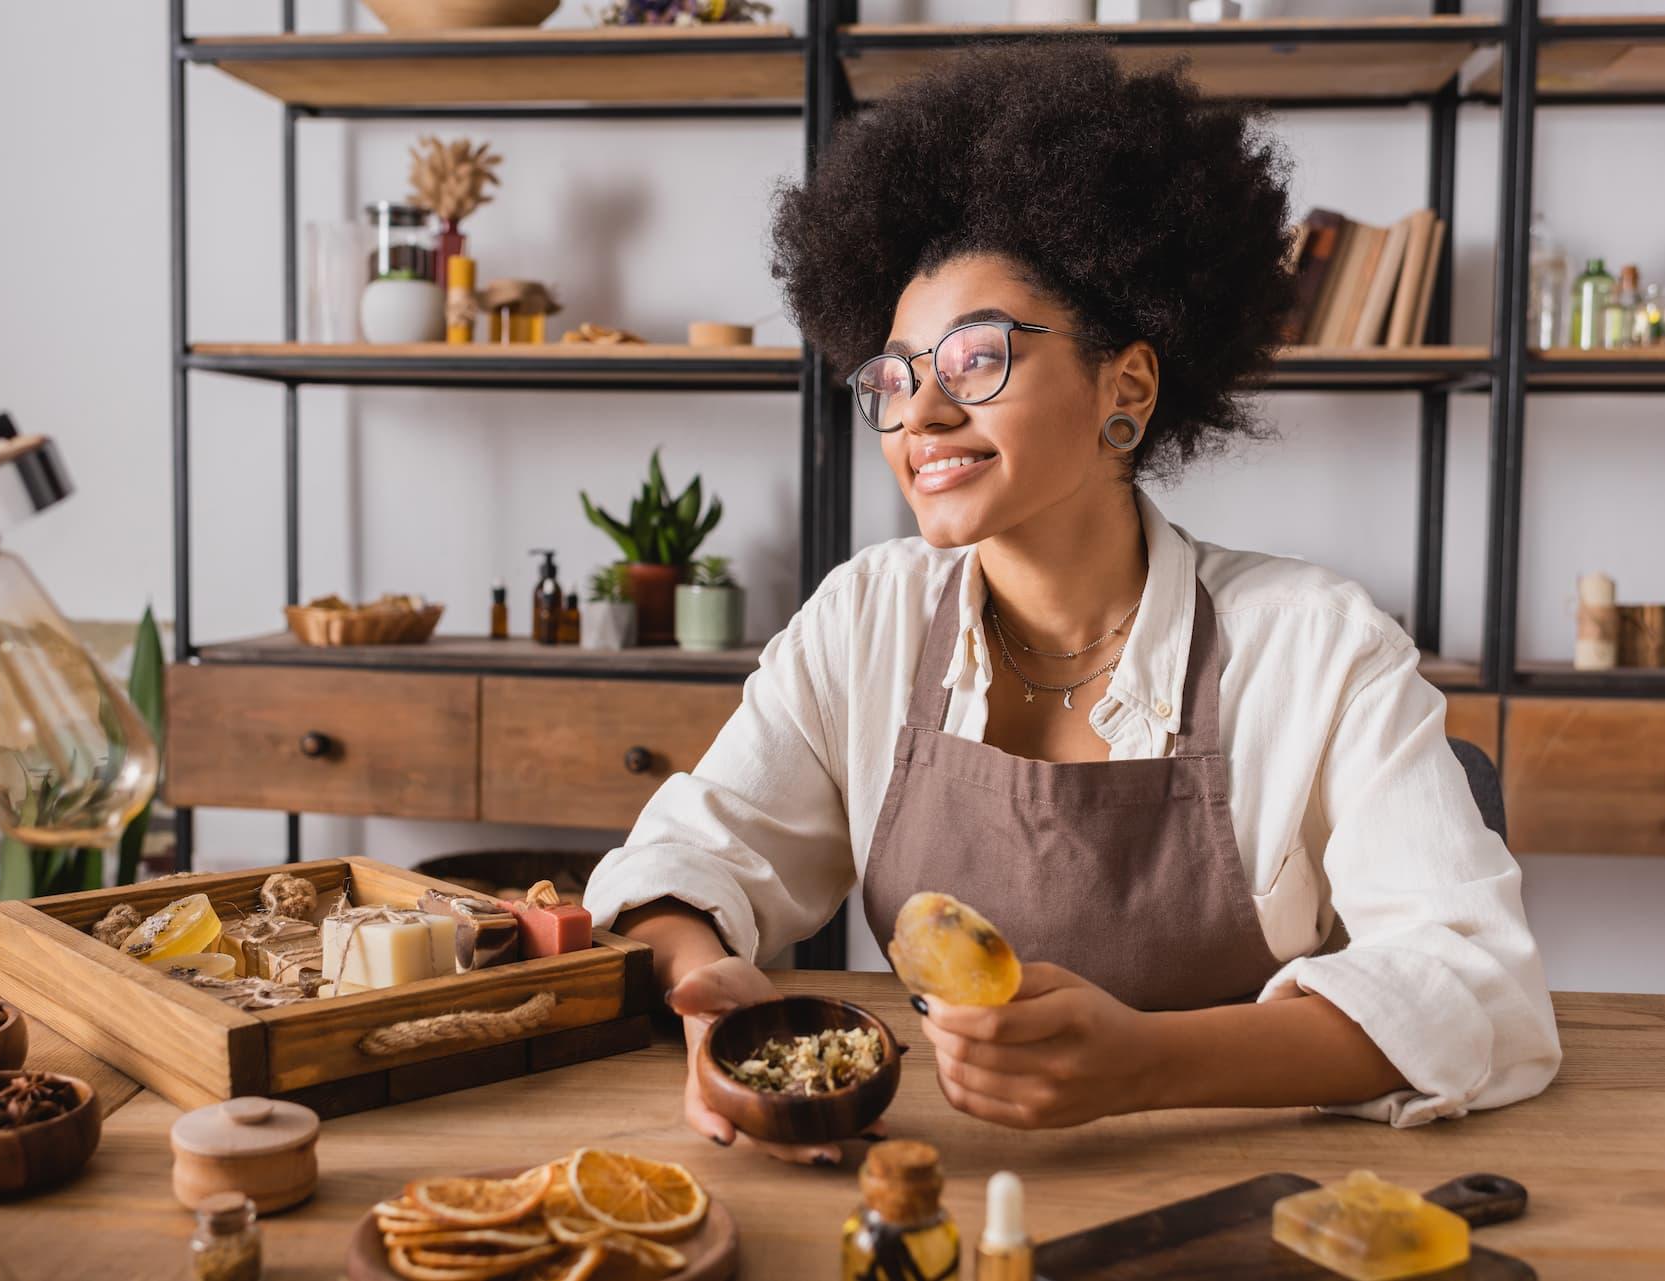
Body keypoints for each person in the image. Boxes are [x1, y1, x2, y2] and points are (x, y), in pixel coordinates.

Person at [582, 41, 1561, 1164]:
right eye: (894, 379)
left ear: (1126, 387)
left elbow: (1480, 984)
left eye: (979, 357)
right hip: (938, 1183)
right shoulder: (869, 618)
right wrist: (704, 985)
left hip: (1259, 1197)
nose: (923, 417)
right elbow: (693, 856)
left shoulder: (1319, 647)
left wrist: (1154, 1062)